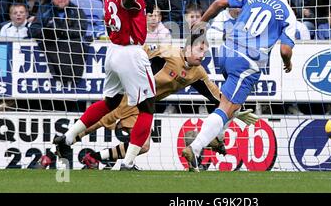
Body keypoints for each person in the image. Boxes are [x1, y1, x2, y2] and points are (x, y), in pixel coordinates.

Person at [38, 34, 258, 170]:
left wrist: (234, 112)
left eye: (205, 51)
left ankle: (94, 157)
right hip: (126, 98)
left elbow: (218, 98)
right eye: (199, 49)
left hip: (142, 107)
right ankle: (48, 155)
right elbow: (138, 55)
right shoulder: (168, 53)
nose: (203, 54)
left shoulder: (198, 73)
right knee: (87, 128)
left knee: (143, 145)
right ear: (187, 48)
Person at [182, 0, 301, 172]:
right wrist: (288, 62)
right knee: (227, 106)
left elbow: (220, 3)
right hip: (247, 64)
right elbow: (285, 49)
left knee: (232, 105)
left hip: (226, 51)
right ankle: (195, 147)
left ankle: (216, 137)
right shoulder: (289, 14)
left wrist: (201, 23)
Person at [52, 0, 155, 171]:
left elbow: (126, 8)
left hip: (113, 52)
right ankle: (128, 162)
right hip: (131, 52)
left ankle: (67, 139)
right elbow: (128, 1)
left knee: (111, 103)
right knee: (147, 109)